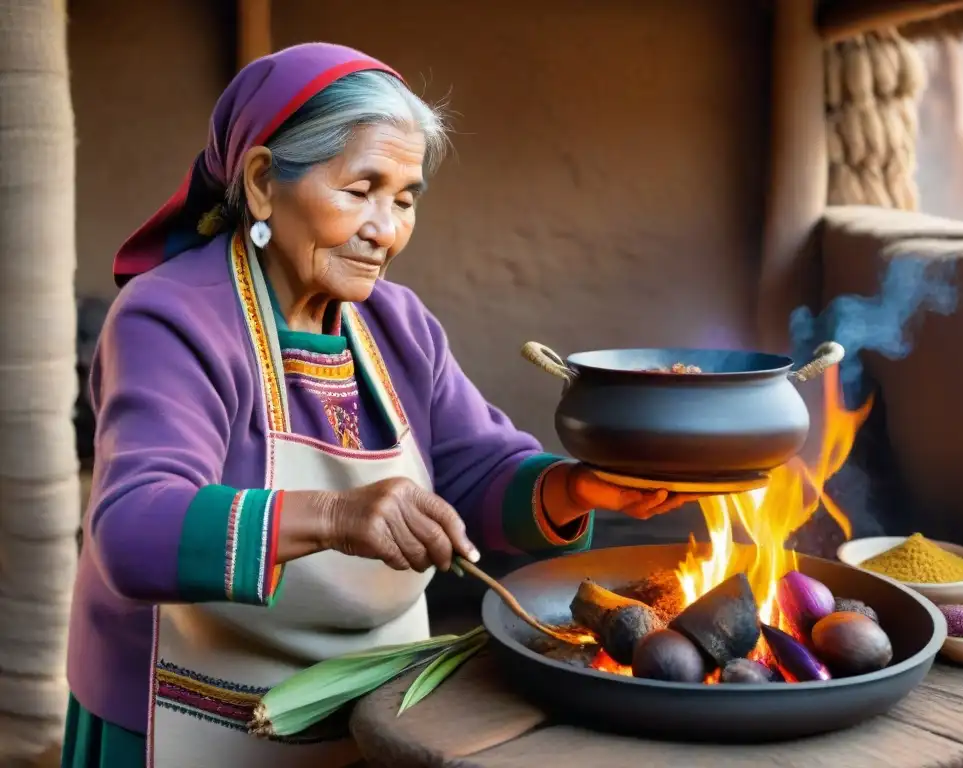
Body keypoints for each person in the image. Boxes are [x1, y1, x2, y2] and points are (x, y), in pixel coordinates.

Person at [63, 43, 692, 767]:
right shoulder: (172, 318)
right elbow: (133, 527)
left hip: (382, 715)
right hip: (188, 717)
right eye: (361, 190)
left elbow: (478, 468)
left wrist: (574, 486)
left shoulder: (397, 322)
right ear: (264, 182)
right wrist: (337, 514)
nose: (386, 229)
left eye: (405, 197)